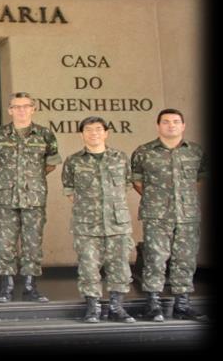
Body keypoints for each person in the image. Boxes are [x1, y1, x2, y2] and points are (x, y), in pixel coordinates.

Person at [132, 108, 207, 322]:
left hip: (187, 215)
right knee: (155, 259)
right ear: (158, 126)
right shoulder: (144, 152)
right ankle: (153, 304)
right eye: (166, 122)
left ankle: (182, 304)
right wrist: (157, 199)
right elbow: (137, 181)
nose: (171, 125)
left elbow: (200, 178)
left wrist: (184, 199)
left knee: (185, 260)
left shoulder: (195, 152)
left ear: (183, 126)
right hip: (156, 215)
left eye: (176, 121)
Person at [0, 92, 61, 303]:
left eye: (25, 106)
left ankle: (30, 286)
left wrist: (31, 178)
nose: (21, 110)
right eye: (16, 107)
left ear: (33, 109)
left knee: (32, 243)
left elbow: (50, 164)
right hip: (6, 198)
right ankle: (7, 286)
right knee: (6, 243)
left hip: (33, 198)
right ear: (10, 110)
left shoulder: (45, 135)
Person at [61, 116, 135, 324]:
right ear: (82, 134)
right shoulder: (73, 161)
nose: (93, 133)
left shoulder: (120, 158)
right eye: (88, 130)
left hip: (117, 222)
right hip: (87, 224)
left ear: (106, 133)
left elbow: (127, 184)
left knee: (120, 266)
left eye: (98, 129)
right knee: (88, 267)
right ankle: (93, 307)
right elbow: (69, 189)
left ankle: (116, 307)